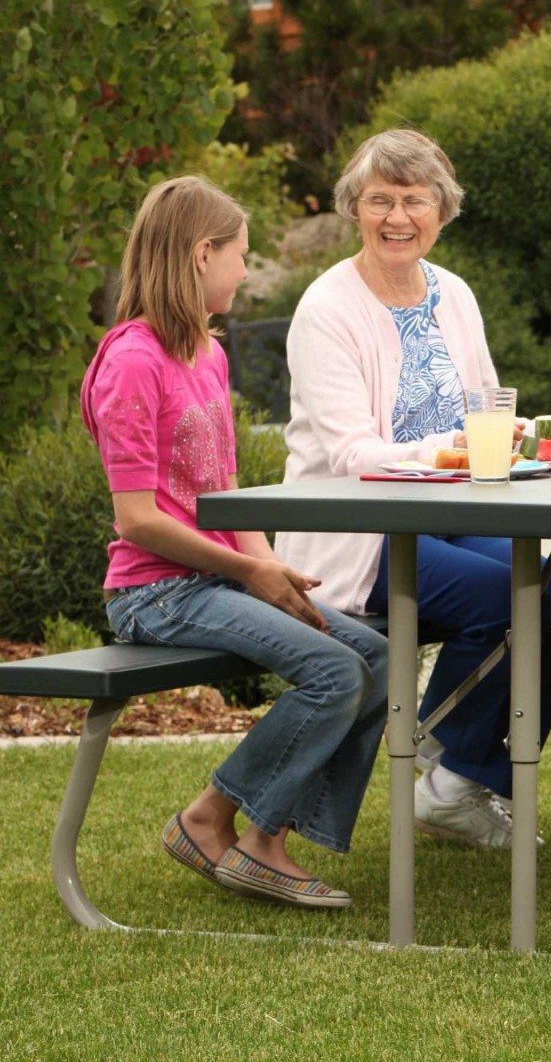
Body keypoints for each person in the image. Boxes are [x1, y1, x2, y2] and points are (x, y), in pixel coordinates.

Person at [275, 128, 551, 849]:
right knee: (505, 603)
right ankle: (440, 741)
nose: (398, 217)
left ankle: (460, 783)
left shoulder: (452, 294)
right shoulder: (328, 308)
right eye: (379, 201)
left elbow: (488, 405)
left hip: (450, 513)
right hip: (362, 529)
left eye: (414, 201)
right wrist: (453, 450)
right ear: (354, 209)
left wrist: (508, 442)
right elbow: (353, 453)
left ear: (442, 210)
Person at [82, 176, 389, 910]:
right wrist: (249, 571)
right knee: (335, 672)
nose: (246, 271)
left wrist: (268, 564)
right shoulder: (131, 362)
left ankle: (261, 839)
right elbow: (138, 520)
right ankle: (209, 819)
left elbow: (218, 490)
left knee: (377, 654)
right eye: (239, 255)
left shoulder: (207, 353)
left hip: (217, 579)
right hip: (154, 592)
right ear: (200, 254)